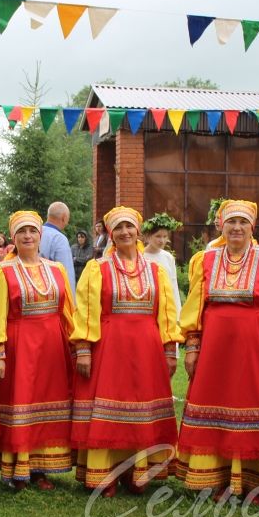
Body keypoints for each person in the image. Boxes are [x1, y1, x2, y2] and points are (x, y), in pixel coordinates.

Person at [174, 200, 259, 503]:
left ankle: (255, 481)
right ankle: (217, 478)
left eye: (243, 222)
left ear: (252, 227)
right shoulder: (204, 260)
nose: (237, 228)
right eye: (231, 222)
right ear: (221, 226)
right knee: (217, 410)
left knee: (252, 408)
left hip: (254, 349)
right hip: (215, 350)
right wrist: (192, 347)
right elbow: (195, 308)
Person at [71, 206, 182, 496]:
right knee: (110, 406)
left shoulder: (156, 271)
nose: (124, 233)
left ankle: (138, 470)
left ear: (138, 232)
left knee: (142, 408)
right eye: (118, 228)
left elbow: (167, 312)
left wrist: (170, 348)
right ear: (110, 235)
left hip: (147, 348)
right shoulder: (98, 269)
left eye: (129, 227)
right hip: (111, 346)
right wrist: (83, 348)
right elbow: (85, 309)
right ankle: (104, 473)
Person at [0, 211, 75, 490]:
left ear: (40, 235)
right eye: (22, 232)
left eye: (32, 231)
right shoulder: (3, 271)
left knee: (48, 403)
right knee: (21, 402)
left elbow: (68, 310)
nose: (27, 236)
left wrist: (76, 344)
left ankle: (41, 468)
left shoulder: (56, 269)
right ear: (13, 238)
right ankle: (16, 467)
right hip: (19, 344)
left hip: (53, 347)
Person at [141, 214, 183, 319]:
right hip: (146, 307)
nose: (162, 240)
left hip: (165, 306)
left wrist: (177, 313)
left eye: (165, 236)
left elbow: (173, 285)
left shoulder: (168, 257)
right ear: (148, 236)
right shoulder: (140, 256)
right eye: (158, 236)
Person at [39, 202, 77, 294]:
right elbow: (66, 274)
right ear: (64, 218)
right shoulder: (59, 238)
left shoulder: (35, 232)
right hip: (51, 294)